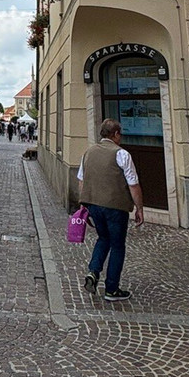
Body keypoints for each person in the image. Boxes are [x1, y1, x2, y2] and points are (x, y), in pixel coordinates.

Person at [78, 118, 145, 302]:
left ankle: (93, 271)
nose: (120, 137)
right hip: (115, 207)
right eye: (120, 134)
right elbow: (133, 184)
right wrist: (139, 208)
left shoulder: (88, 152)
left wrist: (84, 205)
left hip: (93, 205)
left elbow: (82, 180)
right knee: (117, 245)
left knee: (103, 238)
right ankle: (112, 289)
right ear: (115, 134)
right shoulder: (122, 154)